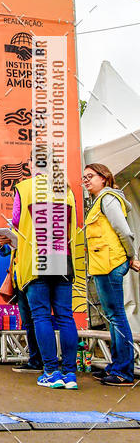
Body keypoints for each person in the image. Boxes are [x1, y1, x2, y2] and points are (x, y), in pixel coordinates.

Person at [12, 153, 79, 389]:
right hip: (63, 257)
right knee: (65, 316)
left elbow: (16, 222)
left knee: (40, 315)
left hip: (36, 259)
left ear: (33, 164)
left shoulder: (24, 187)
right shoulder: (67, 190)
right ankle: (70, 373)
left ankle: (51, 371)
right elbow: (74, 225)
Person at [83, 163, 140, 385]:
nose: (86, 180)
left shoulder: (107, 199)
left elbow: (125, 231)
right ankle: (117, 366)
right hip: (104, 265)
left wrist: (131, 256)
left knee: (117, 317)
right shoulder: (101, 201)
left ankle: (123, 371)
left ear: (104, 178)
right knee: (113, 316)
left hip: (109, 264)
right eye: (84, 177)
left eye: (90, 176)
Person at [0, 235, 43, 374]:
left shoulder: (33, 228)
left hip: (33, 278)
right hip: (19, 281)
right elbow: (5, 252)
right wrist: (0, 245)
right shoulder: (16, 231)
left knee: (39, 320)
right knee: (28, 323)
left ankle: (45, 361)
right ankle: (35, 360)